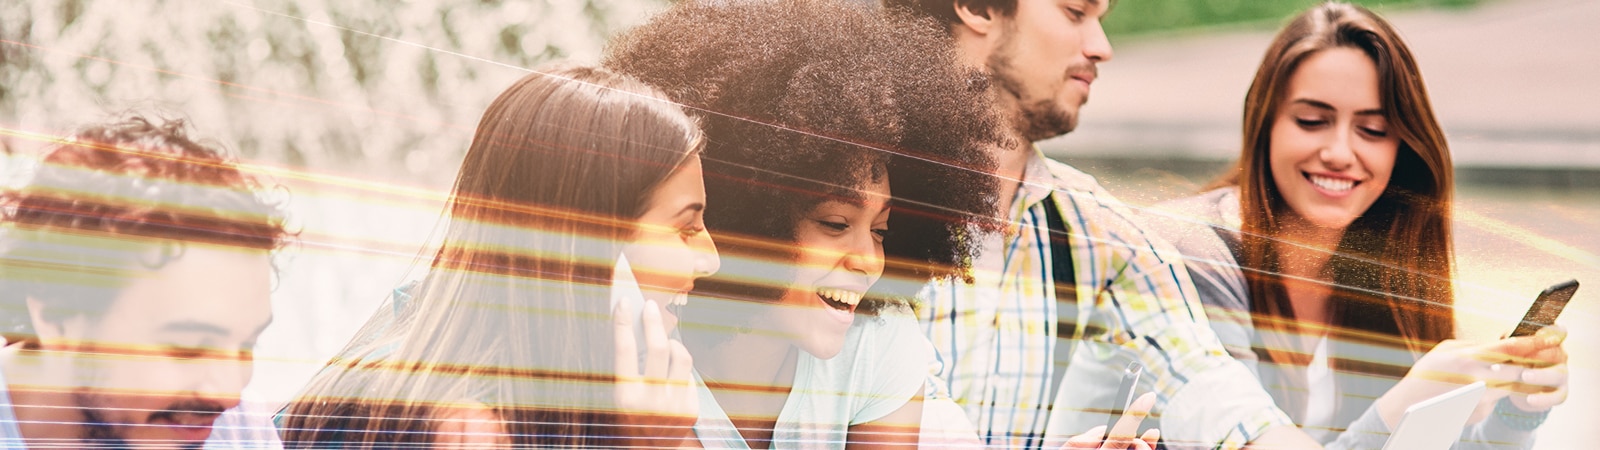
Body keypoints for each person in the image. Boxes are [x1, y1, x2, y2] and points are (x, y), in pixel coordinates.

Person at [880, 0, 1324, 448]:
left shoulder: (1095, 229)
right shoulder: (846, 200)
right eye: (1076, 12)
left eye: (1101, 21)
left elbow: (1212, 388)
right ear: (978, 7)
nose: (1101, 47)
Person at [1141, 3, 1569, 449]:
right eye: (1312, 121)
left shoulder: (1377, 266)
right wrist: (1405, 403)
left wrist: (1515, 412)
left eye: (1372, 129)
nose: (1340, 152)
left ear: (1401, 148)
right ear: (1263, 123)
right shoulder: (1189, 257)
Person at [604, 0, 1024, 447]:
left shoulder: (876, 340)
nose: (868, 261)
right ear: (744, 218)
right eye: (836, 223)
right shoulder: (636, 356)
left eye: (880, 231)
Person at [276, 65, 721, 448]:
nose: (709, 259)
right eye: (685, 228)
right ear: (585, 241)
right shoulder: (423, 422)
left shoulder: (588, 396)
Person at [0, 115, 290, 449]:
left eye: (246, 346)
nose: (227, 395)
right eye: (188, 348)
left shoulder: (241, 431)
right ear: (57, 320)